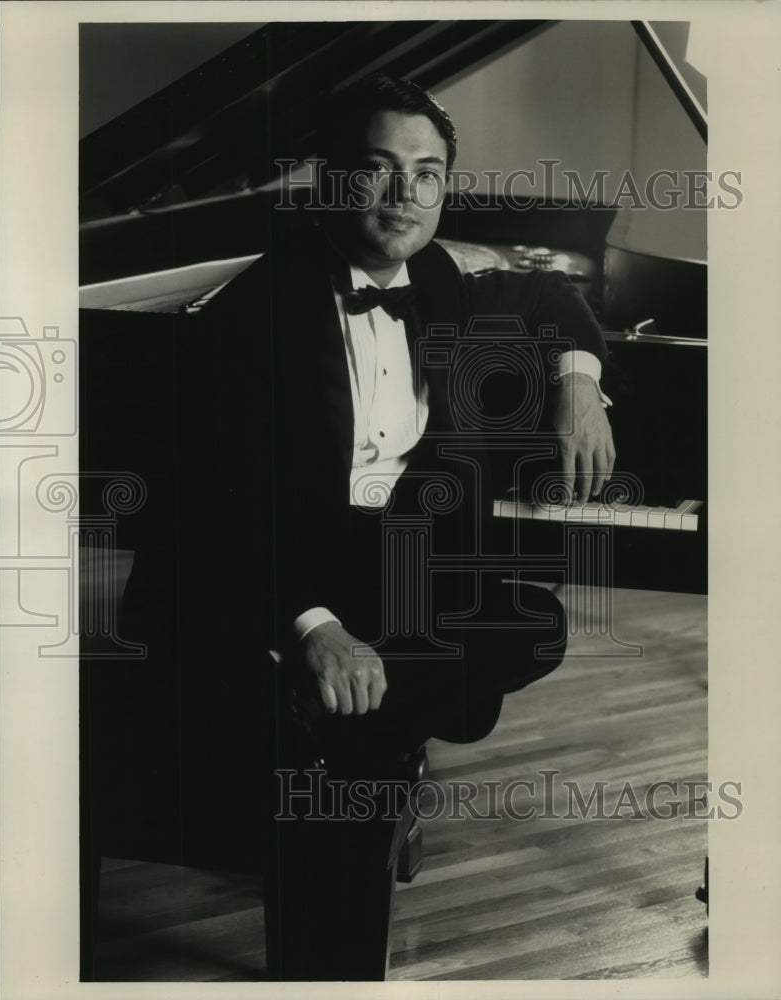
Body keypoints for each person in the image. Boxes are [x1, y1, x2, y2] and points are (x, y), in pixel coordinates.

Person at [181, 73, 615, 980]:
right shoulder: (258, 307)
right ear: (331, 181)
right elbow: (216, 507)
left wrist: (579, 382)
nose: (401, 195)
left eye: (424, 173)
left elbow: (552, 303)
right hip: (284, 561)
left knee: (533, 623)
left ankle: (340, 727)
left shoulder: (443, 277)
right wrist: (315, 627)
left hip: (389, 561)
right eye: (375, 169)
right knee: (360, 763)